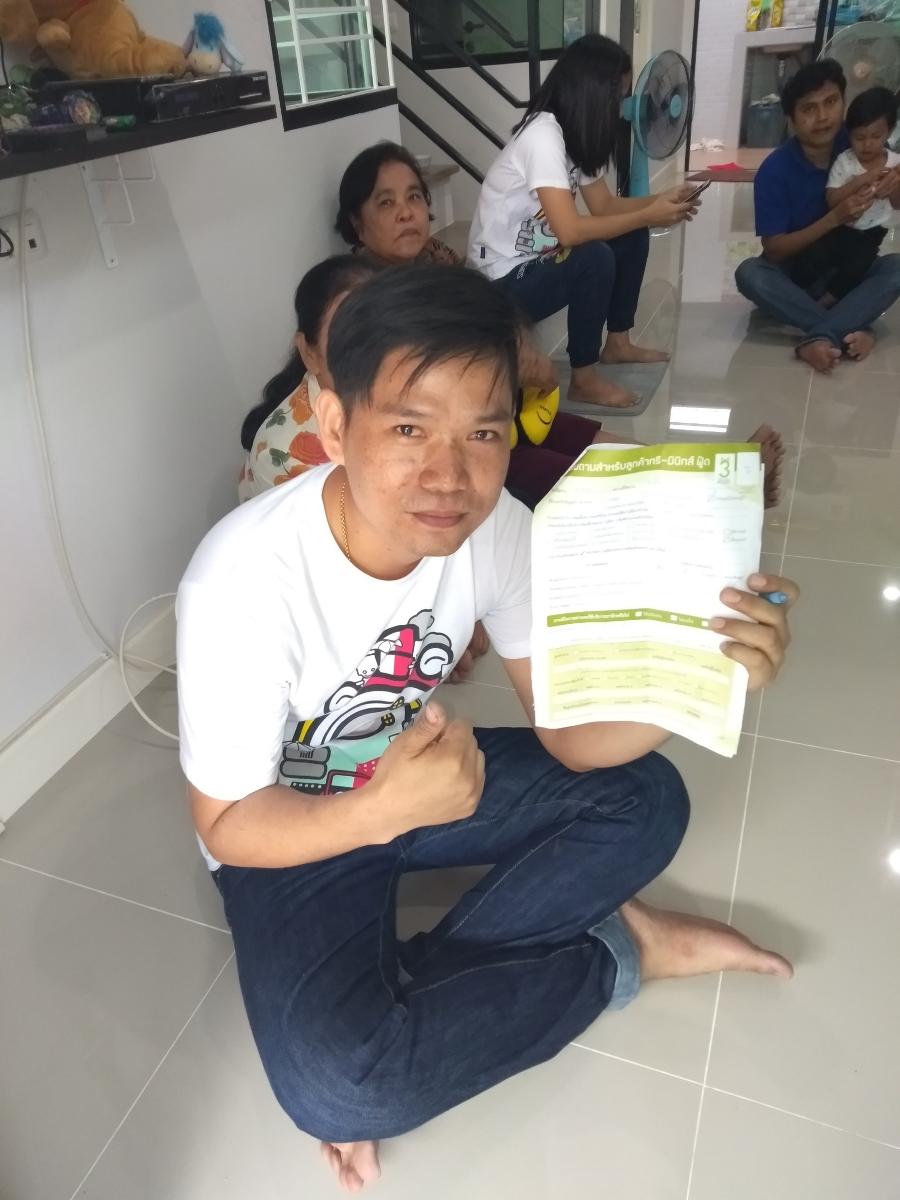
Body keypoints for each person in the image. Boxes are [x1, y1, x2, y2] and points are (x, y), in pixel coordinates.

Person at [177, 264, 797, 1194]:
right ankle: (618, 954)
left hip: (425, 779)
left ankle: (425, 1000)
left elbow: (571, 738)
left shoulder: (496, 526)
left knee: (646, 798)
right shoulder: (241, 580)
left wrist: (706, 673)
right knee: (340, 1086)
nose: (448, 476)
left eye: (483, 432)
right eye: (408, 429)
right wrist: (380, 811)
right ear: (335, 424)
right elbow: (226, 826)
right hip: (290, 829)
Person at [335, 140, 784, 507]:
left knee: (579, 433)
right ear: (356, 221)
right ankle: (718, 494)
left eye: (414, 196)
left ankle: (719, 470)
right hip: (454, 450)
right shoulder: (358, 293)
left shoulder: (435, 260)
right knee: (563, 471)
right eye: (386, 202)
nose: (406, 212)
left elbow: (483, 321)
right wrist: (510, 368)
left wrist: (519, 352)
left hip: (495, 417)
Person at [467, 33, 700, 410]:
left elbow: (605, 206)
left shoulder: (575, 137)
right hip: (500, 282)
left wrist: (661, 201)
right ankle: (584, 378)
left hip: (537, 260)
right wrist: (649, 213)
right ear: (592, 93)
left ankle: (618, 343)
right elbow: (570, 231)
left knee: (632, 234)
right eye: (617, 97)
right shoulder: (543, 136)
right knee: (592, 257)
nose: (621, 109)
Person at [735, 60, 900, 373]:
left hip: (850, 268)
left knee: (896, 268)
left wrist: (894, 185)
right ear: (791, 119)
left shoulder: (861, 142)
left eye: (831, 102)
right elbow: (775, 250)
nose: (823, 117)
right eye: (809, 109)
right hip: (796, 274)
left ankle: (818, 333)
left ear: (844, 102)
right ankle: (854, 327)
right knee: (750, 273)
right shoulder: (775, 170)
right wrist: (834, 218)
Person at [239, 255, 377, 502]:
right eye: (346, 338)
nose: (372, 352)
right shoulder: (284, 454)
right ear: (308, 353)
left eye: (384, 332)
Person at [823, 86, 900, 298]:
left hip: (872, 233)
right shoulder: (846, 161)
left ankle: (827, 302)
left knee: (857, 266)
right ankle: (809, 293)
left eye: (876, 136)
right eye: (859, 137)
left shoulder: (895, 164)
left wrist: (891, 189)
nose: (867, 144)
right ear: (849, 134)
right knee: (817, 256)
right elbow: (831, 200)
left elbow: (897, 204)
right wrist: (859, 181)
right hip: (841, 226)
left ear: (889, 132)